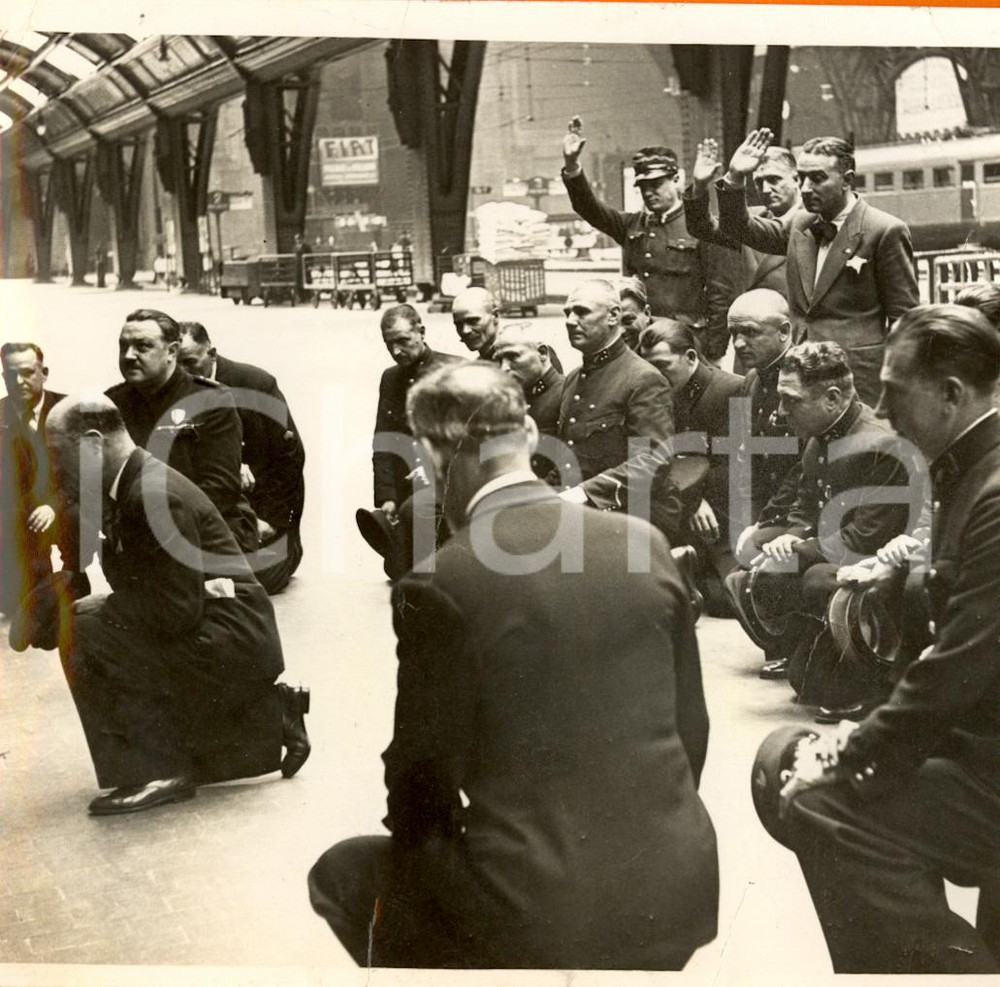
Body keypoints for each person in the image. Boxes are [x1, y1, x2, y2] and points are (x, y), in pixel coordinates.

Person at [308, 363, 718, 969]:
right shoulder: (643, 542)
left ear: (430, 451)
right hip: (675, 888)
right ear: (529, 433)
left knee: (343, 872)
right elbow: (692, 728)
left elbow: (421, 780)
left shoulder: (441, 580)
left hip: (539, 907)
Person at [752, 304, 1000, 974]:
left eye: (893, 391)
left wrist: (850, 749)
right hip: (973, 741)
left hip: (985, 759)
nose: (882, 409)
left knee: (818, 798)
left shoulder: (990, 491)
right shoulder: (966, 469)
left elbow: (956, 669)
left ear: (951, 395)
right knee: (788, 764)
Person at [43, 395, 310, 815]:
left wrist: (94, 611)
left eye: (58, 453)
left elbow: (174, 611)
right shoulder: (129, 485)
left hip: (231, 637)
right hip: (221, 626)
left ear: (93, 444)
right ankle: (272, 718)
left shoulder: (151, 493)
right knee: (90, 620)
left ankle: (158, 771)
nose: (54, 467)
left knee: (86, 629)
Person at [726, 342, 907, 685]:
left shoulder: (880, 445)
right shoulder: (821, 435)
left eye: (791, 400)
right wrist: (789, 537)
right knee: (751, 562)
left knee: (808, 677)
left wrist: (797, 550)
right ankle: (796, 643)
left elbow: (865, 536)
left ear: (833, 398)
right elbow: (805, 505)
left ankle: (856, 663)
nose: (780, 411)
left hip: (875, 559)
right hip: (831, 544)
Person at [715, 129, 919, 405]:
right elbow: (740, 229)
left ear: (847, 180)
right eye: (802, 178)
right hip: (801, 372)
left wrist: (896, 389)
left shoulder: (884, 230)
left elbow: (904, 320)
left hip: (858, 377)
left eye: (818, 178)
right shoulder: (801, 223)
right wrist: (735, 177)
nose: (806, 188)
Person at [561, 121, 736, 363]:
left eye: (656, 184)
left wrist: (715, 352)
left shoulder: (702, 226)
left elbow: (720, 294)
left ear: (676, 179)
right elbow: (588, 208)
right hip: (638, 341)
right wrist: (572, 165)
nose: (648, 192)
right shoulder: (632, 225)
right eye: (643, 186)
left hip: (685, 342)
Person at [106, 309, 259, 556]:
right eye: (123, 346)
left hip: (208, 534)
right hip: (141, 534)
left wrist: (161, 526)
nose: (129, 355)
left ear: (172, 352)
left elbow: (220, 488)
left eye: (142, 346)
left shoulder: (211, 400)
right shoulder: (112, 404)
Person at [177, 322, 306, 594]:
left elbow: (290, 458)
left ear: (211, 354)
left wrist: (270, 521)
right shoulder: (174, 394)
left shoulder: (256, 384)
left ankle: (287, 549)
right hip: (216, 517)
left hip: (265, 514)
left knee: (249, 582)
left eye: (190, 362)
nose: (185, 374)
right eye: (177, 365)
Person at [556, 279, 682, 540]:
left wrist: (585, 493)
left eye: (581, 311)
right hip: (584, 514)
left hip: (633, 518)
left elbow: (653, 461)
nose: (570, 320)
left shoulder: (642, 378)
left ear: (614, 316)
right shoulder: (573, 379)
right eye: (567, 312)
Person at [639, 319, 742, 612]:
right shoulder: (655, 393)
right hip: (683, 505)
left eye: (663, 365)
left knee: (726, 599)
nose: (655, 375)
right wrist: (693, 500)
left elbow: (736, 465)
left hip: (724, 511)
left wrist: (699, 498)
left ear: (691, 357)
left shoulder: (730, 389)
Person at [358, 304, 461, 579]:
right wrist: (387, 497)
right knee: (398, 569)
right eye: (389, 343)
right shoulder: (390, 378)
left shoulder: (456, 371)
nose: (395, 351)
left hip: (445, 491)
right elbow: (383, 442)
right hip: (406, 494)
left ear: (421, 332)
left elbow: (466, 442)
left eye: (403, 341)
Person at [684, 140, 803, 296]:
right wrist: (699, 186)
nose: (766, 190)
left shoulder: (815, 220)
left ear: (797, 179)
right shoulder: (750, 219)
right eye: (759, 182)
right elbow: (702, 228)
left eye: (774, 180)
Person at [0, 343, 64, 613]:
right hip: (16, 506)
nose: (18, 381)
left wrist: (53, 505)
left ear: (44, 372)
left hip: (63, 500)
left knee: (76, 518)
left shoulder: (66, 410)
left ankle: (71, 585)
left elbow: (85, 472)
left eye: (27, 372)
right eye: (10, 374)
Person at [729, 289, 800, 524]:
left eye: (750, 332)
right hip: (765, 510)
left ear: (784, 332)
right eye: (734, 333)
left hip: (801, 513)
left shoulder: (811, 380)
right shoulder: (752, 380)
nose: (738, 343)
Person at [493, 322, 565, 480]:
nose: (504, 368)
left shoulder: (567, 394)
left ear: (542, 353)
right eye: (499, 360)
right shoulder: (509, 401)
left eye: (513, 357)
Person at [618, 276, 653, 351]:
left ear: (647, 314)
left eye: (628, 321)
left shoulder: (665, 344)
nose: (621, 331)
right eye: (613, 325)